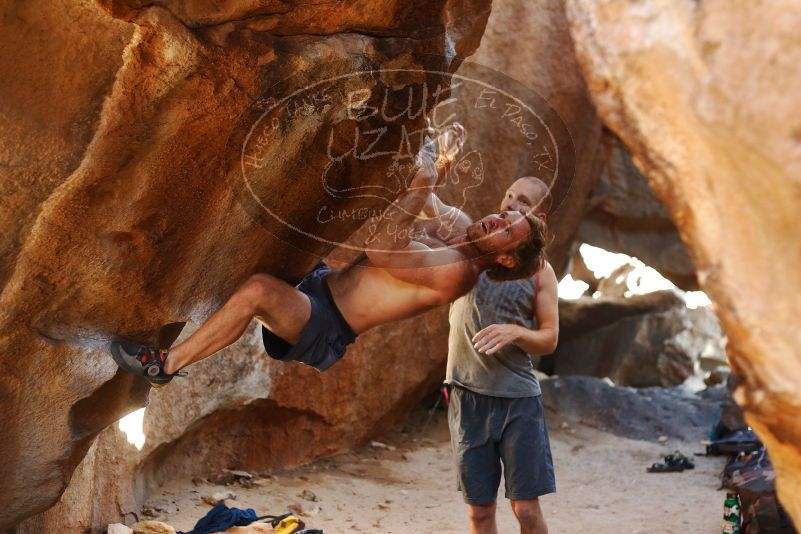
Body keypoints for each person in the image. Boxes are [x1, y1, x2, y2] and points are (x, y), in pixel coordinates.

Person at [110, 125, 549, 387]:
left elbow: (383, 247)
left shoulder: (457, 273)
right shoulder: (463, 233)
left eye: (508, 228)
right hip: (319, 284)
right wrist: (439, 157)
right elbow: (432, 202)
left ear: (507, 259)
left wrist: (422, 182)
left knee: (258, 291)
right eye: (503, 212)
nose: (498, 217)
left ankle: (164, 365)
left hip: (326, 322)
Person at [446, 176, 559, 534]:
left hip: (517, 402)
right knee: (479, 513)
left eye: (523, 202)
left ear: (541, 216)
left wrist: (517, 332)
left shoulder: (541, 271)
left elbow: (550, 339)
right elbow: (432, 216)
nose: (510, 204)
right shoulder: (473, 247)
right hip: (467, 397)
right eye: (508, 195)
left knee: (525, 510)